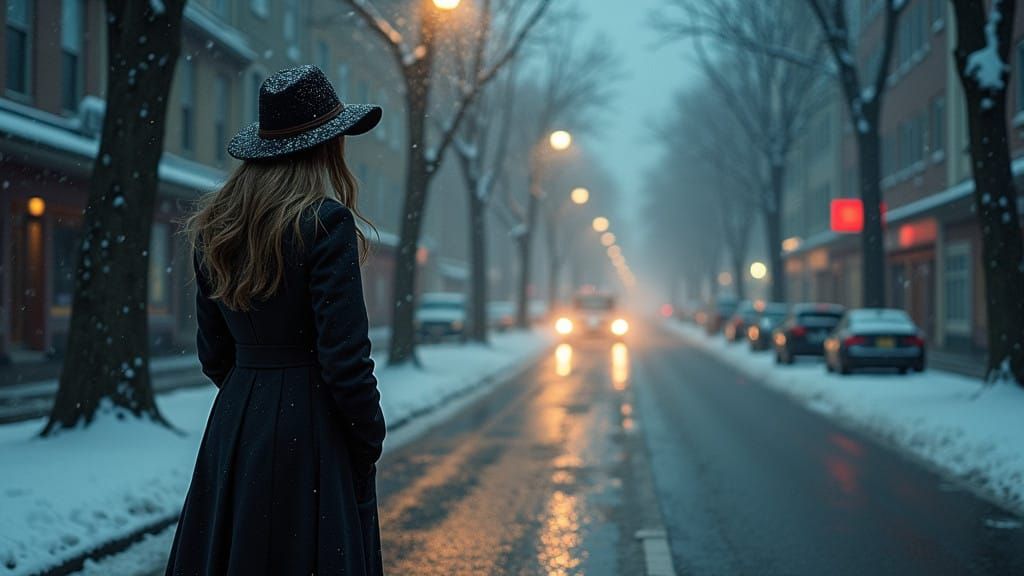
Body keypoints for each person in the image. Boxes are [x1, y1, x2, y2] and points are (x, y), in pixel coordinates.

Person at [166, 65, 386, 576]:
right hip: (310, 430)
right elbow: (345, 358)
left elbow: (213, 351)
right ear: (325, 147)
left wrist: (254, 396)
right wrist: (365, 438)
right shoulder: (326, 223)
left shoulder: (215, 227)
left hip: (238, 422)